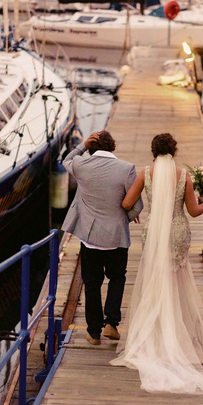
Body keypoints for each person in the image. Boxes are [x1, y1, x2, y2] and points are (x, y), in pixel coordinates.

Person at [110, 133, 203, 395]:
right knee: (178, 280)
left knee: (153, 278)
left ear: (153, 151)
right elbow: (193, 211)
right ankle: (179, 336)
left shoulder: (145, 174)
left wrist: (136, 212)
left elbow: (126, 203)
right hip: (178, 232)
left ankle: (154, 335)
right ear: (174, 151)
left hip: (154, 233)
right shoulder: (183, 175)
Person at [62, 131, 143, 346]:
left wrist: (82, 146)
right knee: (117, 277)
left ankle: (94, 333)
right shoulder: (127, 169)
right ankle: (112, 324)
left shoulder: (81, 165)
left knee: (92, 283)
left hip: (90, 238)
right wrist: (127, 217)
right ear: (113, 148)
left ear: (93, 148)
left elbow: (66, 160)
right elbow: (137, 205)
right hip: (116, 237)